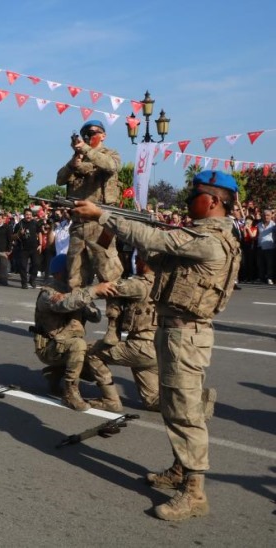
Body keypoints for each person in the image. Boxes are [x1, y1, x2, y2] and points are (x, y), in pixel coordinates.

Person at [73, 170, 241, 521]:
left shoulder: (210, 239)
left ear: (212, 200)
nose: (187, 200)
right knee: (172, 406)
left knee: (184, 413)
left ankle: (194, 493)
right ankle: (182, 469)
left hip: (185, 335)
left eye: (194, 195)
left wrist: (103, 215)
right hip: (174, 332)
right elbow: (157, 251)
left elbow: (154, 239)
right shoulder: (204, 236)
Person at [56, 119, 123, 344]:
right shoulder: (79, 157)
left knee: (109, 274)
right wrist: (73, 161)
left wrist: (85, 150)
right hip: (78, 225)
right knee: (75, 277)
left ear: (103, 135)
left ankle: (114, 325)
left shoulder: (110, 154)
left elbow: (110, 167)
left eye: (92, 132)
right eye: (84, 133)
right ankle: (75, 324)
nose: (87, 136)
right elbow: (60, 178)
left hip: (101, 224)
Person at [32, 254, 119, 411]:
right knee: (79, 345)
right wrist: (92, 291)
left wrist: (85, 299)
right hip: (50, 347)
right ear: (60, 272)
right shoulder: (48, 292)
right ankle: (70, 394)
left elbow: (96, 317)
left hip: (66, 346)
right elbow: (64, 304)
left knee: (96, 353)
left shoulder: (75, 292)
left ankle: (56, 373)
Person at [85, 253, 160, 411]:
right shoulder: (163, 282)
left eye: (138, 259)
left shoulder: (140, 285)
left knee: (93, 352)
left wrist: (88, 290)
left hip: (141, 347)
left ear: (145, 262)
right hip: (158, 348)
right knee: (152, 400)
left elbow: (114, 288)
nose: (136, 262)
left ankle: (110, 400)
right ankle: (196, 404)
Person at [13, 209, 41, 289]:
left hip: (34, 247)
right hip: (23, 248)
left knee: (36, 264)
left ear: (31, 215)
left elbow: (39, 233)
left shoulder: (35, 223)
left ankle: (32, 280)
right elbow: (13, 237)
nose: (28, 216)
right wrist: (19, 233)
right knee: (23, 266)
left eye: (30, 214)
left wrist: (40, 244)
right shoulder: (20, 224)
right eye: (27, 214)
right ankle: (24, 282)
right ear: (24, 215)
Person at [256, 209, 274, 284]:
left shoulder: (274, 225)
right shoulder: (259, 225)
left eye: (268, 215)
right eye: (264, 215)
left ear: (271, 216)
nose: (266, 217)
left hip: (270, 247)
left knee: (270, 264)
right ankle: (261, 278)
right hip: (260, 247)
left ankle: (269, 278)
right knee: (260, 264)